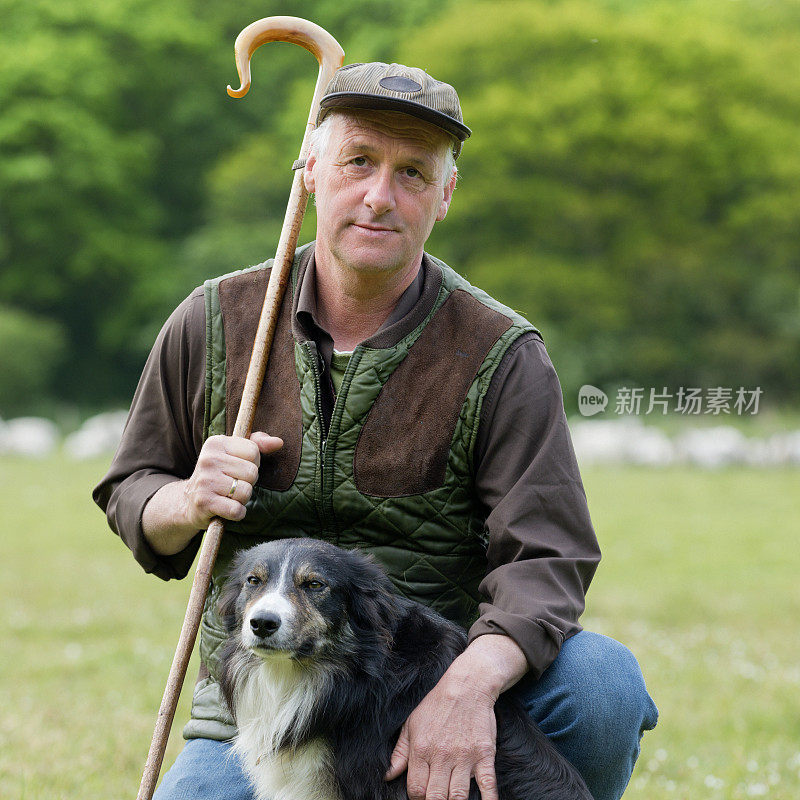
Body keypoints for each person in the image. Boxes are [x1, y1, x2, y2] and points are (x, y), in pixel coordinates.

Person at [94, 62, 657, 800]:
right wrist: (189, 499)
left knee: (603, 683)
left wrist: (465, 692)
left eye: (414, 174)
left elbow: (547, 559)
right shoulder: (213, 321)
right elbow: (132, 491)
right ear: (310, 172)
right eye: (358, 161)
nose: (380, 196)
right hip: (266, 704)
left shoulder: (501, 354)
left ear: (445, 195)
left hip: (430, 681)